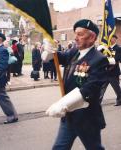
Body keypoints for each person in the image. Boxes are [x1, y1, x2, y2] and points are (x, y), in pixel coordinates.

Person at [42, 19, 109, 150]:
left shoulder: (99, 59)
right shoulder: (74, 52)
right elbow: (58, 58)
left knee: (94, 147)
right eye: (75, 34)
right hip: (69, 116)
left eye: (80, 34)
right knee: (59, 147)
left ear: (92, 37)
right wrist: (50, 51)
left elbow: (90, 88)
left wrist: (63, 103)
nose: (76, 38)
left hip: (87, 118)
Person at [98, 35, 121, 106]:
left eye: (111, 38)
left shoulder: (118, 48)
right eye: (109, 38)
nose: (110, 40)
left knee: (116, 88)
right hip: (105, 72)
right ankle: (98, 102)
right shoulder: (106, 48)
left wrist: (107, 60)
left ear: (115, 39)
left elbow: (117, 59)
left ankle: (119, 100)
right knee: (102, 87)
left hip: (113, 72)